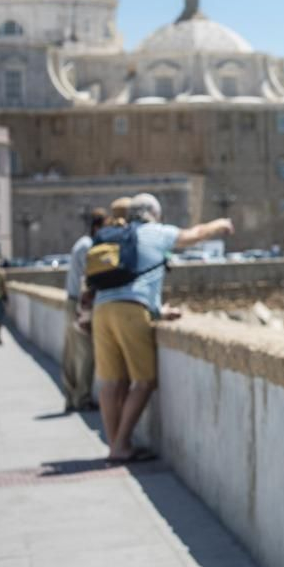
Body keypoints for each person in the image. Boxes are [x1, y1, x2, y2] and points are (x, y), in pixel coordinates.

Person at [90, 192, 233, 464]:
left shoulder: (114, 234)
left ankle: (114, 444)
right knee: (144, 382)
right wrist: (221, 225)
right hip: (131, 311)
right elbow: (195, 234)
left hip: (102, 310)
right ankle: (121, 445)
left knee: (111, 382)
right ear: (153, 213)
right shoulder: (157, 232)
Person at [62, 208, 108, 412]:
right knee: (86, 353)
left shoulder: (80, 244)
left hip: (72, 301)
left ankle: (71, 397)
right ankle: (82, 398)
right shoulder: (89, 247)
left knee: (72, 353)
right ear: (97, 226)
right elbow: (87, 280)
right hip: (81, 304)